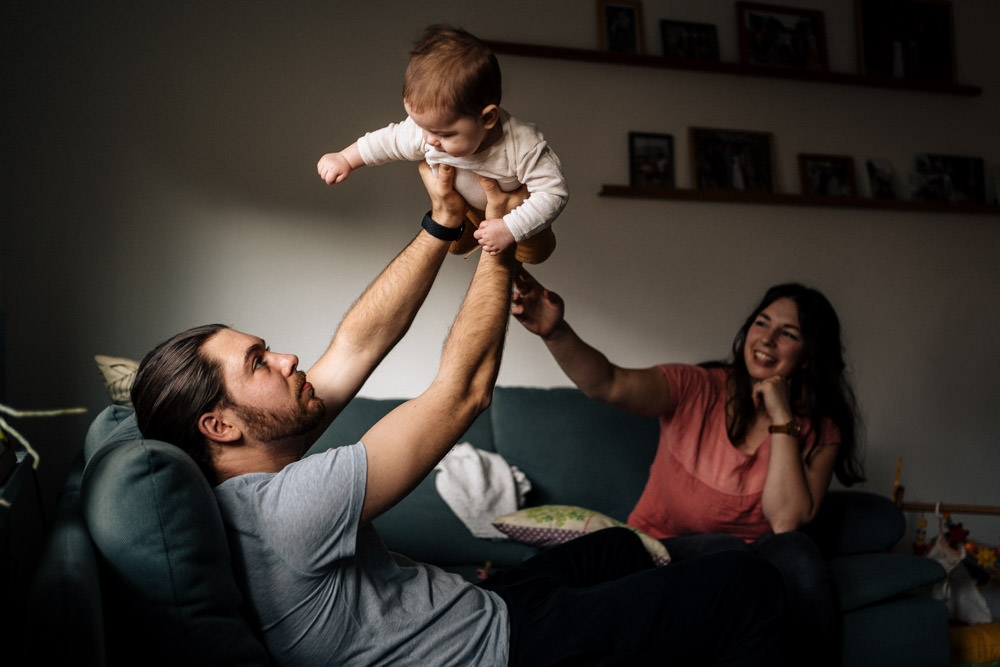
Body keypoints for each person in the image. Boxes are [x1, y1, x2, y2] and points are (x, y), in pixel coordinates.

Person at [130, 164, 786, 666]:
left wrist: (443, 221)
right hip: (504, 648)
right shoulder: (289, 508)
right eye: (258, 362)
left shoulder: (249, 479)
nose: (287, 357)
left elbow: (357, 345)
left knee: (613, 547)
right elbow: (463, 391)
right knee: (746, 583)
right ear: (219, 424)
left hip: (487, 603)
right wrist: (501, 227)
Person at [511, 269, 866, 666]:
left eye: (788, 333)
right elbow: (608, 383)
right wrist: (555, 331)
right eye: (761, 323)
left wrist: (783, 418)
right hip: (665, 553)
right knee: (732, 557)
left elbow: (785, 522)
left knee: (794, 552)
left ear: (808, 356)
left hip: (754, 568)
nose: (766, 338)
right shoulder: (695, 388)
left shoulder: (821, 432)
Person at [316, 24, 567, 265]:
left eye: (444, 134)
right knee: (453, 247)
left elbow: (553, 192)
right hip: (465, 209)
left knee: (535, 254)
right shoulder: (425, 131)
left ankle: (516, 260)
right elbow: (386, 141)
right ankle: (480, 241)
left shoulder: (522, 145)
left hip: (517, 209)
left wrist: (511, 227)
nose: (428, 139)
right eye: (420, 126)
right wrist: (346, 158)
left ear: (488, 118)